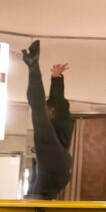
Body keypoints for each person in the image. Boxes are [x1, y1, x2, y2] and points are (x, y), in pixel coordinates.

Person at [21, 40, 74, 200]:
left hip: (55, 166)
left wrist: (56, 80)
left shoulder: (63, 118)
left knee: (34, 196)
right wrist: (56, 79)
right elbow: (45, 103)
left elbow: (56, 102)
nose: (46, 111)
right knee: (38, 115)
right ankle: (32, 65)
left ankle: (32, 65)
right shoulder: (56, 122)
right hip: (56, 167)